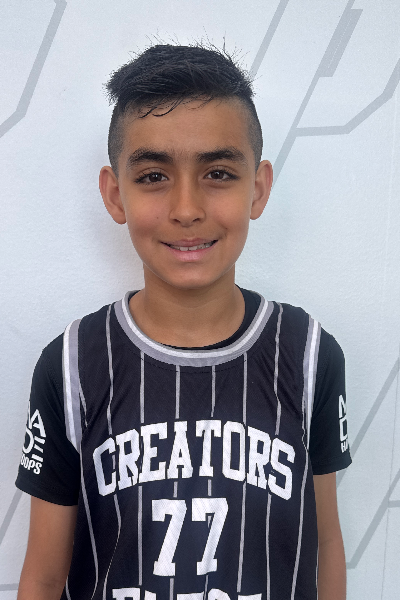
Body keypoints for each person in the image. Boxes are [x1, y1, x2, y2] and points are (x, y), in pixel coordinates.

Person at [15, 43, 351, 600]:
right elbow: (45, 576)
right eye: (153, 176)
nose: (187, 208)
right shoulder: (72, 364)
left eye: (218, 172)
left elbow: (325, 546)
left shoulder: (310, 353)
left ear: (258, 188)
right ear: (115, 194)